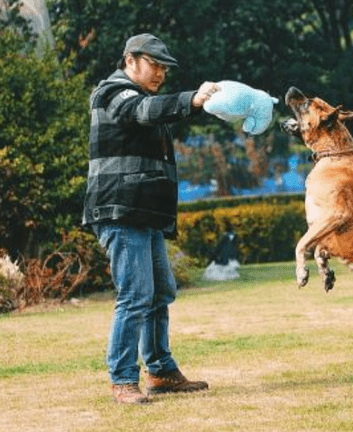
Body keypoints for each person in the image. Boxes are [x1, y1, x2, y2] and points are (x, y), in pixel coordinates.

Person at [82, 33, 219, 405]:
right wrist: (192, 99)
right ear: (130, 60)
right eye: (154, 64)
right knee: (135, 297)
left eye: (164, 67)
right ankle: (123, 380)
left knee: (159, 293)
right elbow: (144, 112)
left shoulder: (142, 98)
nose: (160, 72)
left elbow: (153, 111)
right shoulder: (114, 93)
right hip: (120, 212)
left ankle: (160, 372)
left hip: (143, 215)